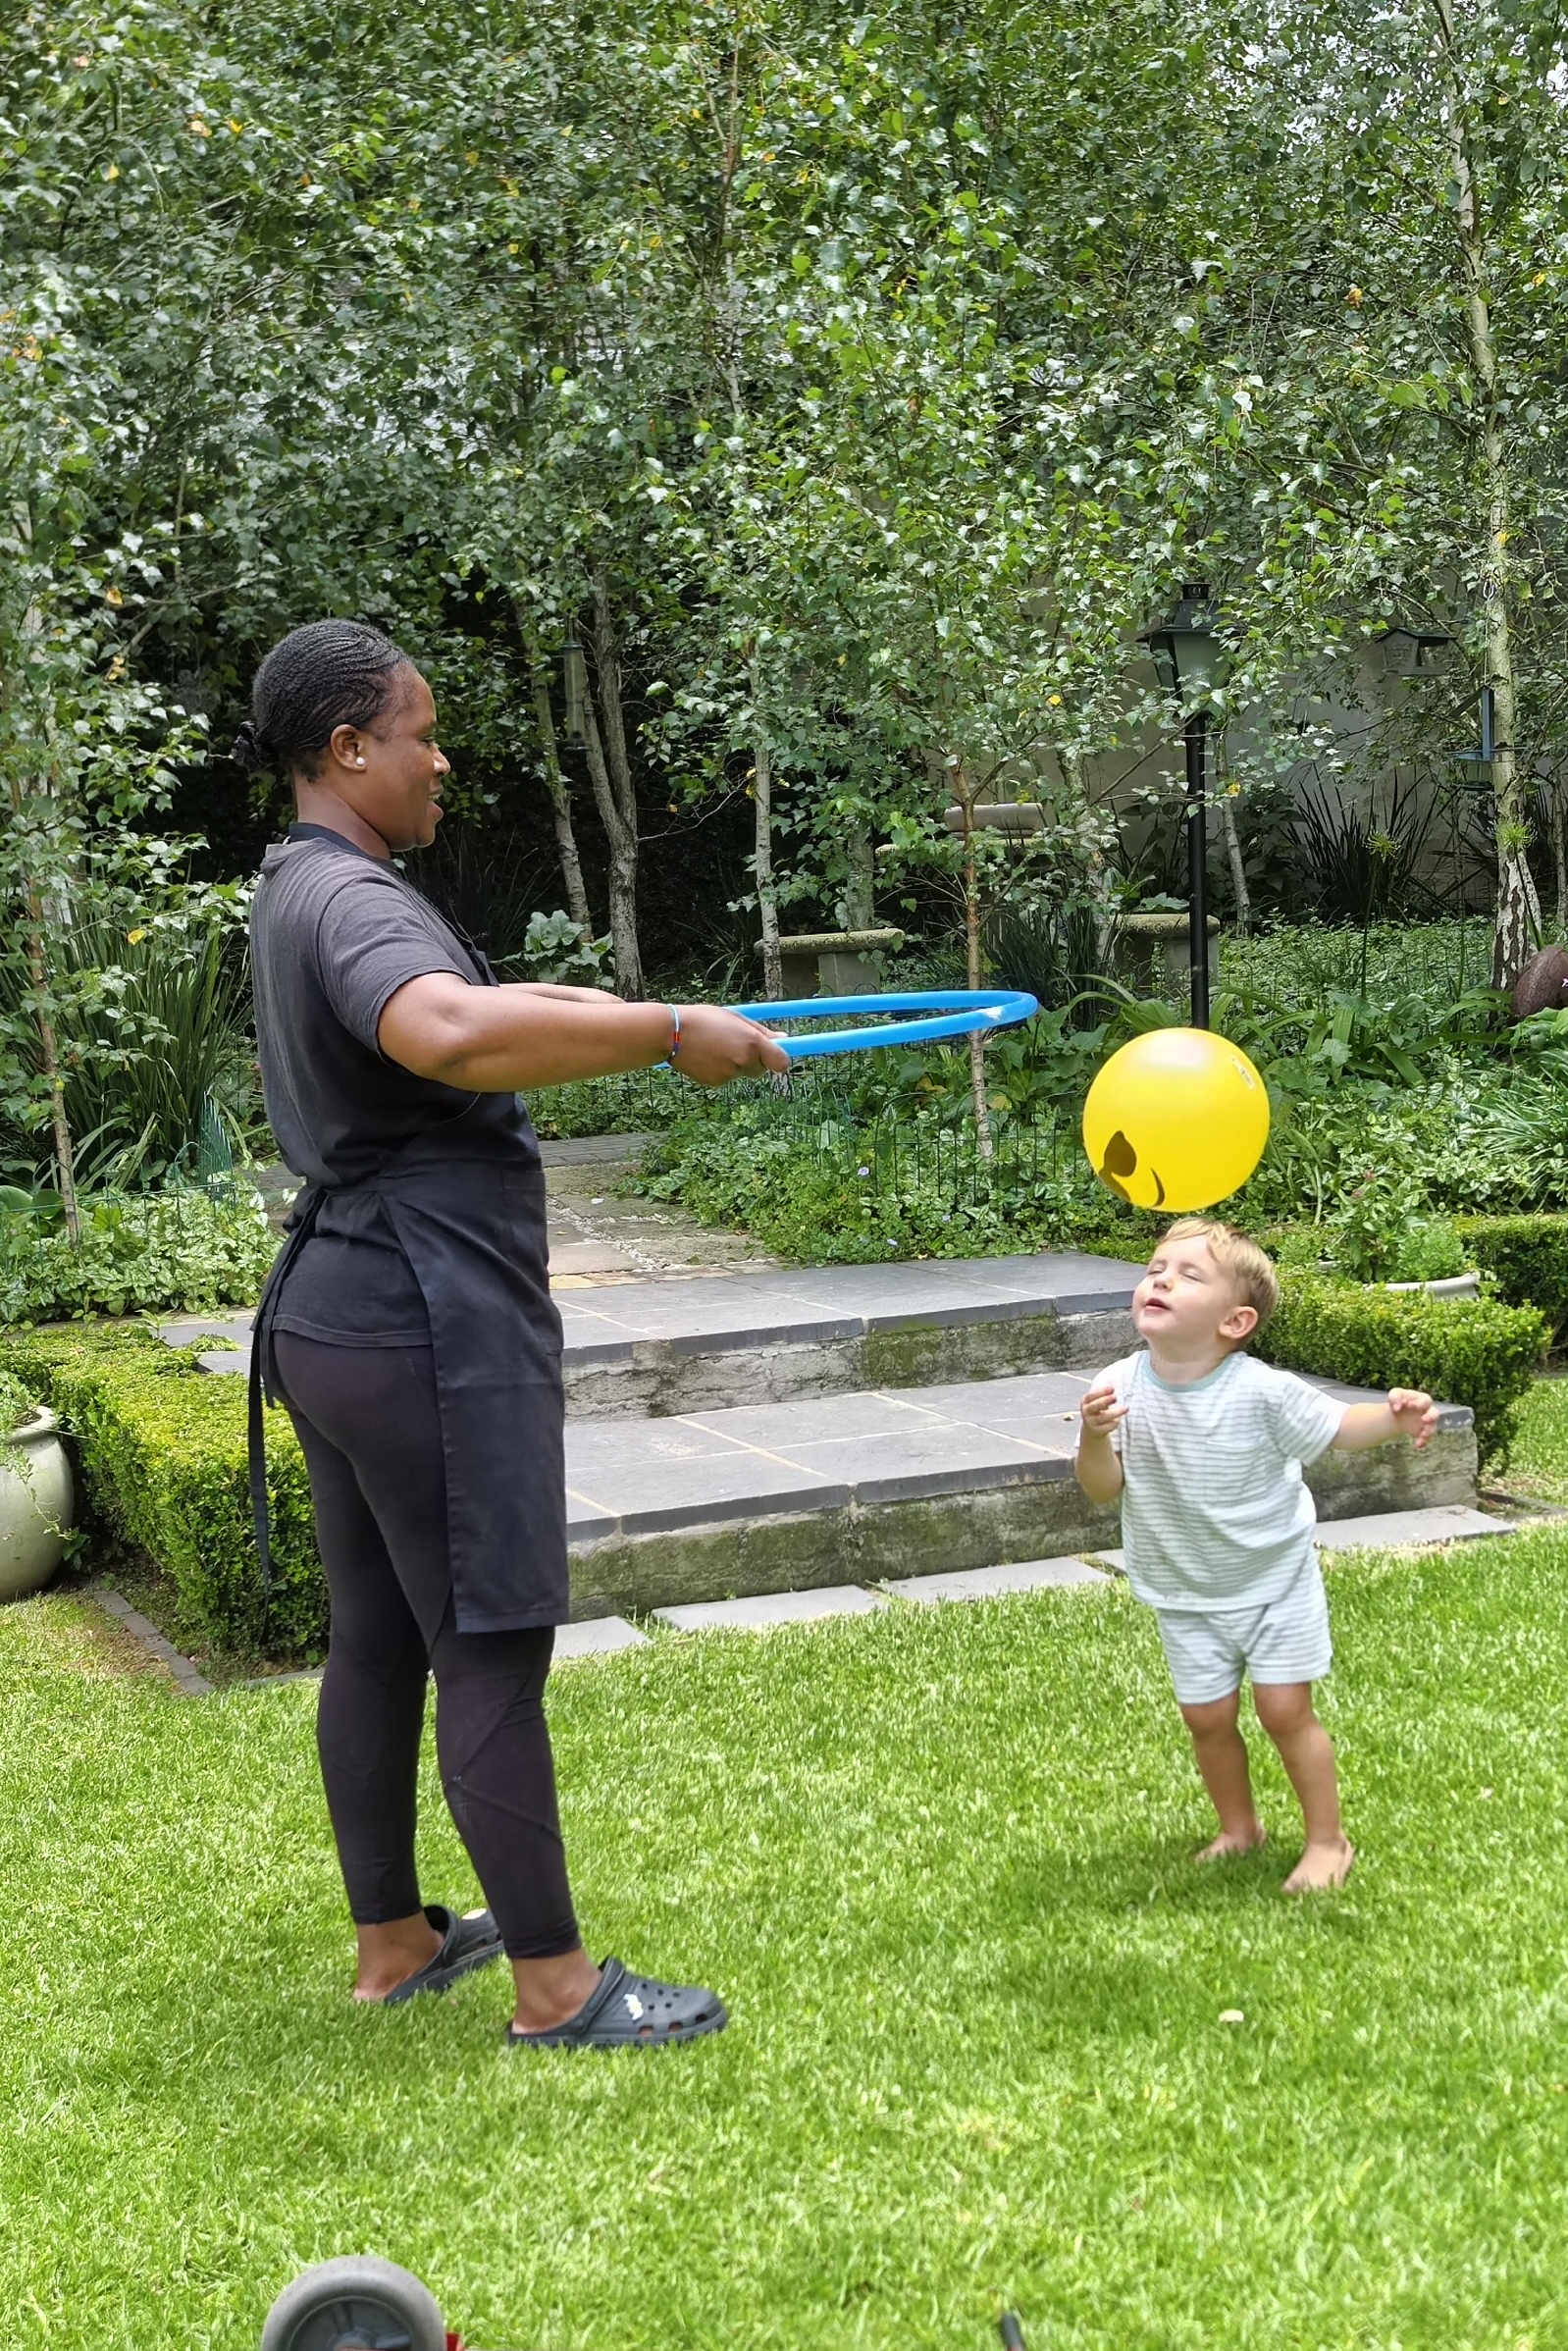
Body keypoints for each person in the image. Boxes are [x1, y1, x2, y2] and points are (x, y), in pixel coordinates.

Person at [237, 617, 788, 2046]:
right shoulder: (355, 904)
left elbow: (493, 1009)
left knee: (377, 1635)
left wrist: (650, 1016)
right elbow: (454, 1035)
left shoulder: (302, 882)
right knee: (487, 1645)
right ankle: (556, 1988)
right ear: (348, 749)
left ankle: (392, 1939)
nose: (438, 762)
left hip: (338, 1307)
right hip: (418, 1313)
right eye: (419, 735)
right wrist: (666, 1032)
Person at [1073, 1217, 1438, 1893]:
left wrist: (1394, 1417)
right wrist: (1094, 1439)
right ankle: (1240, 1829)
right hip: (1184, 1588)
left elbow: (1334, 1427)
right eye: (1156, 1268)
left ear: (1235, 1322)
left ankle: (1328, 1842)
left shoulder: (1259, 1390)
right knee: (1206, 1718)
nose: (1160, 1278)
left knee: (1282, 1711)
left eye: (1188, 1274)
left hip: (1274, 1580)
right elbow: (1102, 1491)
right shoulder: (1117, 1386)